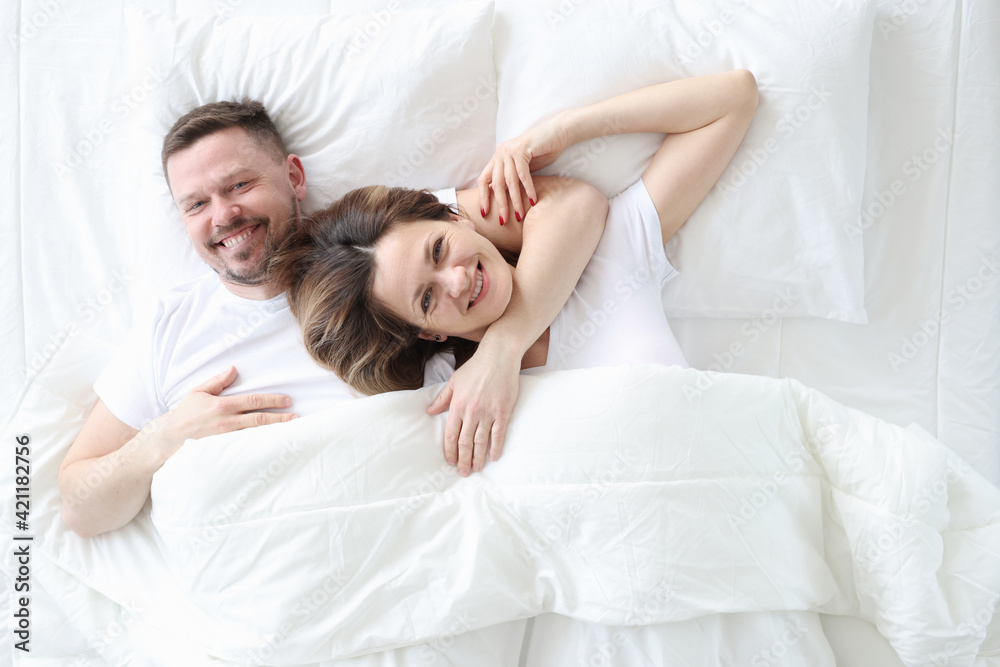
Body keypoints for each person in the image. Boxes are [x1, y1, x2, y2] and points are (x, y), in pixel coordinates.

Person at [58, 99, 606, 537]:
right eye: (196, 204)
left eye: (238, 185)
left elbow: (567, 206)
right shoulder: (170, 328)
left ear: (293, 176)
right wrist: (163, 437)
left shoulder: (379, 243)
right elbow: (80, 506)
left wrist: (500, 348)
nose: (223, 215)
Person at [272, 70, 759, 477]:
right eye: (426, 299)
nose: (457, 281)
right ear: (425, 332)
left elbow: (734, 98)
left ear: (454, 215)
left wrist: (570, 129)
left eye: (439, 249)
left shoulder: (609, 256)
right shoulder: (442, 394)